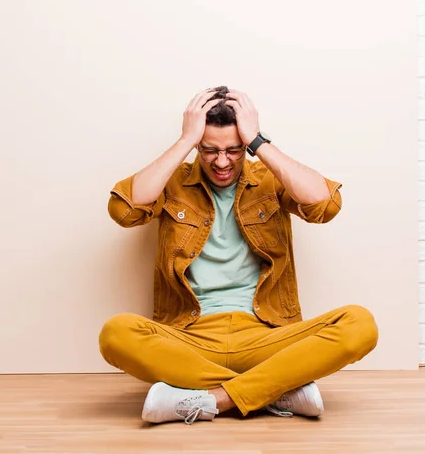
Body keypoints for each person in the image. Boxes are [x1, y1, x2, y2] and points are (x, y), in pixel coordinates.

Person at [99, 86, 378, 425]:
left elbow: (325, 205)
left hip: (266, 334)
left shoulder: (268, 180)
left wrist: (259, 141)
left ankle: (212, 399)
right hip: (190, 338)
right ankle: (277, 390)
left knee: (359, 324)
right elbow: (124, 210)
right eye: (209, 150)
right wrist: (185, 141)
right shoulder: (173, 182)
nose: (221, 161)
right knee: (116, 333)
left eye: (234, 150)